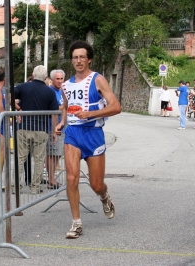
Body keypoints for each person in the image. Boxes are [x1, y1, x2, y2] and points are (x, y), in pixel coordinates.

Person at [55, 40, 121, 239]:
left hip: (93, 134)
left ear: (89, 59)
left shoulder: (98, 79)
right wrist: (62, 122)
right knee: (71, 178)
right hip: (73, 134)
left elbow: (116, 106)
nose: (78, 61)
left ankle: (104, 196)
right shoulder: (65, 85)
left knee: (96, 184)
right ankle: (76, 223)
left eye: (82, 57)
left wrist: (91, 114)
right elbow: (66, 106)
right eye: (75, 57)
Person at [14, 65, 59, 194]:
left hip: (23, 128)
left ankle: (15, 186)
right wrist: (54, 131)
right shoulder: (49, 92)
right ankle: (35, 187)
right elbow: (54, 113)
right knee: (39, 159)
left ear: (33, 75)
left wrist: (18, 109)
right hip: (41, 129)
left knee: (20, 158)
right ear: (46, 77)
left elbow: (10, 96)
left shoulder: (23, 87)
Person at [46, 69, 66, 189]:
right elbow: (54, 108)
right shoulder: (50, 91)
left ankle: (51, 178)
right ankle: (51, 180)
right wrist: (64, 106)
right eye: (57, 79)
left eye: (61, 79)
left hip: (62, 128)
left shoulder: (62, 91)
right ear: (52, 79)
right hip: (51, 127)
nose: (59, 81)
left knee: (58, 154)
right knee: (51, 154)